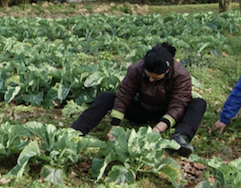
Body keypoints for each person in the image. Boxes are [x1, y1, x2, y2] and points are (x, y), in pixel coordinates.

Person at [71, 43, 207, 157]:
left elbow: (179, 104)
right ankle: (75, 131)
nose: (151, 80)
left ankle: (179, 138)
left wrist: (157, 130)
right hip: (143, 108)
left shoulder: (181, 74)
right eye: (148, 76)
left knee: (199, 103)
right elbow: (124, 95)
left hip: (168, 114)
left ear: (167, 71)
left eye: (156, 78)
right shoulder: (136, 69)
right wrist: (115, 127)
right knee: (106, 97)